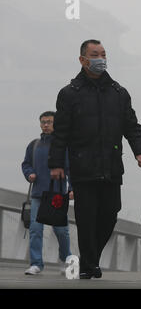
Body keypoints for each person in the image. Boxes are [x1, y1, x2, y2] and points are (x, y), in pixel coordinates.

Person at [48, 39, 141, 279]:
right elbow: (60, 132)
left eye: (103, 54)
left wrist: (140, 150)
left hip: (112, 165)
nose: (100, 58)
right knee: (86, 218)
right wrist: (56, 164)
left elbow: (132, 126)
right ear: (83, 60)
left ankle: (89, 258)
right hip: (83, 166)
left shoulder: (119, 93)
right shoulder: (69, 94)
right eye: (95, 54)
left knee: (110, 213)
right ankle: (88, 265)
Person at [21, 111, 73, 275]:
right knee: (36, 229)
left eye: (49, 122)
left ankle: (67, 261)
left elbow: (70, 168)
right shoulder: (34, 145)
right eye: (43, 122)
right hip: (37, 194)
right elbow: (26, 163)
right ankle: (36, 264)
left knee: (61, 231)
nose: (45, 125)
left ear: (55, 124)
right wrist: (29, 173)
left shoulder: (63, 145)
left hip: (57, 194)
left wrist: (71, 187)